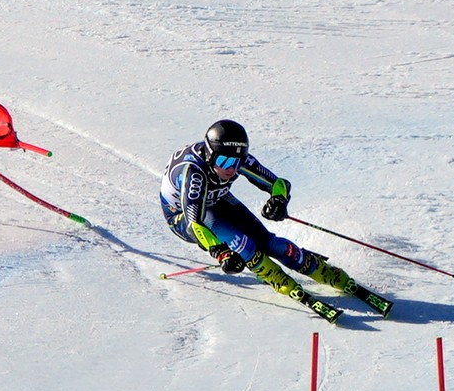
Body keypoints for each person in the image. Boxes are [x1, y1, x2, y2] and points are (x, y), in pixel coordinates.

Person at [159, 119, 373, 323]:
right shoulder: (194, 174)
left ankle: (319, 269)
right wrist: (221, 252)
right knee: (242, 243)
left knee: (269, 242)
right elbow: (194, 224)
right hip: (181, 215)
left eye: (236, 162)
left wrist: (279, 200)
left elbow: (278, 183)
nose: (231, 169)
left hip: (216, 197)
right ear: (210, 155)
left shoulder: (234, 158)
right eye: (224, 161)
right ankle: (276, 278)